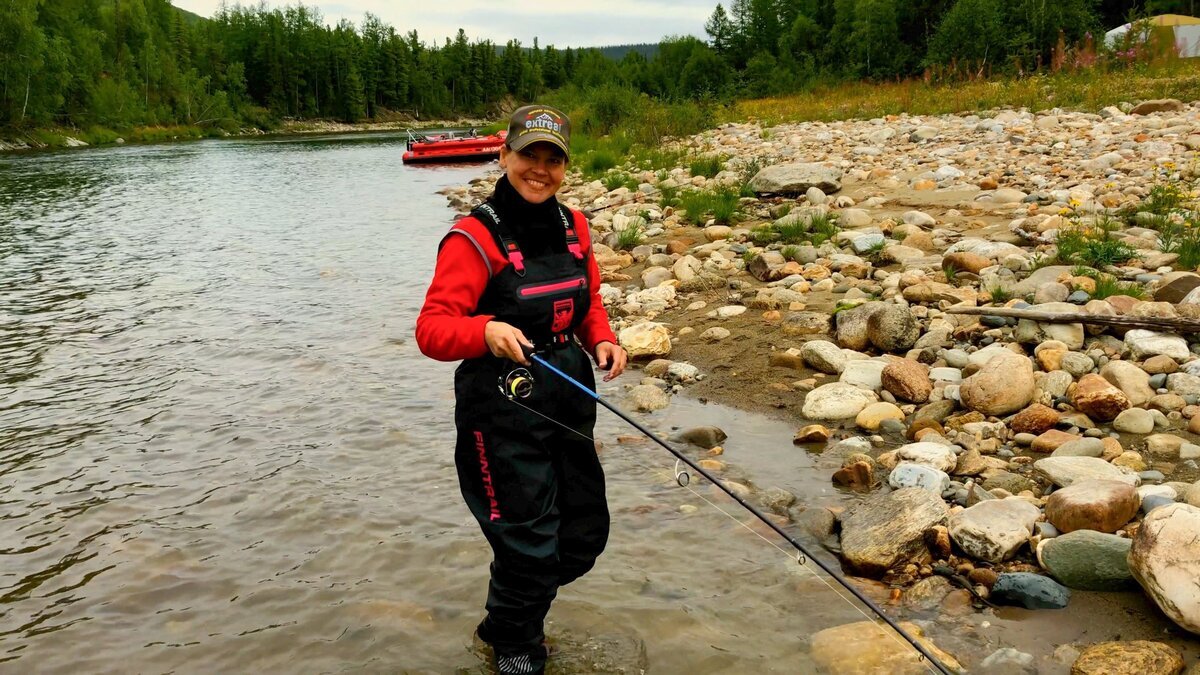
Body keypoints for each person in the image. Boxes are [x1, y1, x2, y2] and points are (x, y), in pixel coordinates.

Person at [415, 104, 627, 675]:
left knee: (582, 535)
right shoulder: (472, 237)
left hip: (567, 397)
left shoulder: (574, 226)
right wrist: (483, 330)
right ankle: (515, 653)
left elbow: (589, 302)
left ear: (565, 166)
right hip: (498, 412)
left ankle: (503, 621)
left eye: (552, 158)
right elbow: (431, 331)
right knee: (528, 546)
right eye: (528, 154)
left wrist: (603, 338)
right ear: (504, 155)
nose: (540, 168)